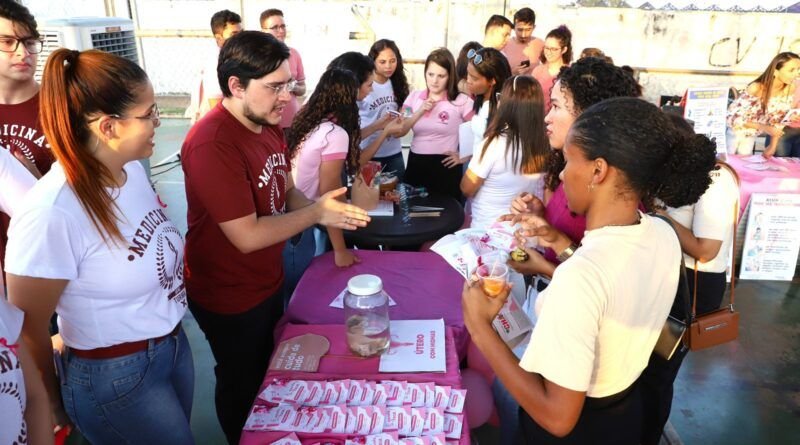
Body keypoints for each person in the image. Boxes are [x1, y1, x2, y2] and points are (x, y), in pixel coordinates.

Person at [463, 97, 716, 444]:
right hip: (628, 413)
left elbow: (557, 417)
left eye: (569, 161)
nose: (563, 174)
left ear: (599, 171)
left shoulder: (581, 278)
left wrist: (479, 328)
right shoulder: (663, 232)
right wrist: (555, 240)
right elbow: (612, 290)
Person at [180, 31, 369, 444]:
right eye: (275, 87)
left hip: (266, 278)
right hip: (228, 293)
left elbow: (285, 189)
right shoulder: (212, 142)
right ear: (236, 86)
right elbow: (246, 235)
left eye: (288, 84)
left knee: (269, 368)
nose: (286, 96)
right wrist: (317, 213)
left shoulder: (266, 123)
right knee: (242, 381)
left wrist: (322, 213)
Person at [7, 48, 194, 443]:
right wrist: (50, 400)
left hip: (170, 347)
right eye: (149, 115)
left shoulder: (131, 175)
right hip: (116, 376)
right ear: (108, 127)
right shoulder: (53, 212)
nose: (157, 123)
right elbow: (28, 325)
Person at [498, 57, 643, 444]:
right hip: (552, 315)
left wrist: (542, 268)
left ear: (590, 119)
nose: (547, 116)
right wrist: (541, 219)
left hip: (577, 360)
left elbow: (595, 280)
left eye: (558, 105)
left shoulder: (617, 206)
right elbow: (570, 243)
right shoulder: (569, 170)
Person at [639, 115, 740, 445]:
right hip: (667, 276)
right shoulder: (678, 176)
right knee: (645, 364)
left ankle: (648, 435)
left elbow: (705, 250)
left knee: (659, 369)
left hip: (691, 286)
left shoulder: (715, 180)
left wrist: (661, 217)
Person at [288, 69, 366, 268]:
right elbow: (329, 191)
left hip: (290, 212)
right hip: (306, 222)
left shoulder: (307, 120)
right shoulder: (335, 134)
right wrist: (340, 250)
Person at [0, 0, 53, 292]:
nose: (23, 53)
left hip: (46, 262)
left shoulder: (60, 106)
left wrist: (39, 184)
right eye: (8, 42)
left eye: (30, 42)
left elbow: (90, 191)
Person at [461, 75, 548, 230]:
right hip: (527, 232)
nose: (498, 101)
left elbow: (467, 188)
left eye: (501, 97)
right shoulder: (545, 143)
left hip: (490, 231)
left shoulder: (494, 144)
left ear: (508, 105)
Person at [396, 48, 474, 201]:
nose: (434, 80)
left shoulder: (462, 100)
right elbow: (400, 130)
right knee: (413, 216)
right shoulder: (414, 97)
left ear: (450, 76)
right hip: (416, 164)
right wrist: (419, 111)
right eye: (430, 74)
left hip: (446, 167)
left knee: (447, 217)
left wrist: (465, 155)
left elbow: (483, 131)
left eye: (441, 76)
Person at [727, 52, 800, 157]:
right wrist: (765, 127)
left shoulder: (790, 88)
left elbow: (777, 121)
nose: (796, 74)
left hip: (752, 135)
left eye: (798, 69)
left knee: (745, 163)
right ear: (775, 71)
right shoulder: (756, 88)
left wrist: (772, 146)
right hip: (735, 134)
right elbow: (733, 118)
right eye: (791, 70)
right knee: (732, 165)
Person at [361, 39, 410, 178]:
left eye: (392, 61)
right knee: (370, 196)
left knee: (396, 196)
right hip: (369, 154)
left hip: (394, 153)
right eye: (382, 62)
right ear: (373, 62)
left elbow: (408, 109)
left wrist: (404, 117)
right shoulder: (364, 86)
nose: (388, 66)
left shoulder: (400, 84)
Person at [185, 9, 242, 125]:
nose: (240, 38)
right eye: (234, 34)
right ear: (219, 38)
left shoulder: (230, 55)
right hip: (216, 125)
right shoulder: (215, 62)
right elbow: (215, 105)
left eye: (242, 33)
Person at [260, 8, 307, 132]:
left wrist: (291, 86)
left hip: (292, 121)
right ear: (263, 31)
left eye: (283, 26)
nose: (280, 31)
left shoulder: (294, 54)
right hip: (266, 122)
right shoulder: (257, 56)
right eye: (275, 27)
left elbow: (302, 88)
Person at [465, 47, 512, 158]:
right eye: (468, 74)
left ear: (492, 81)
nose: (468, 80)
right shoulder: (481, 101)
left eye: (474, 78)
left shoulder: (503, 111)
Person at [532, 25, 573, 112]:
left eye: (553, 49)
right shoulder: (538, 71)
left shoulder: (571, 72)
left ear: (564, 50)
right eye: (546, 48)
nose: (548, 52)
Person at [502, 7, 544, 76]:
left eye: (528, 30)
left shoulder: (540, 44)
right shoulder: (504, 44)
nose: (523, 35)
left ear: (534, 27)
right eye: (520, 30)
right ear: (514, 28)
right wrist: (512, 73)